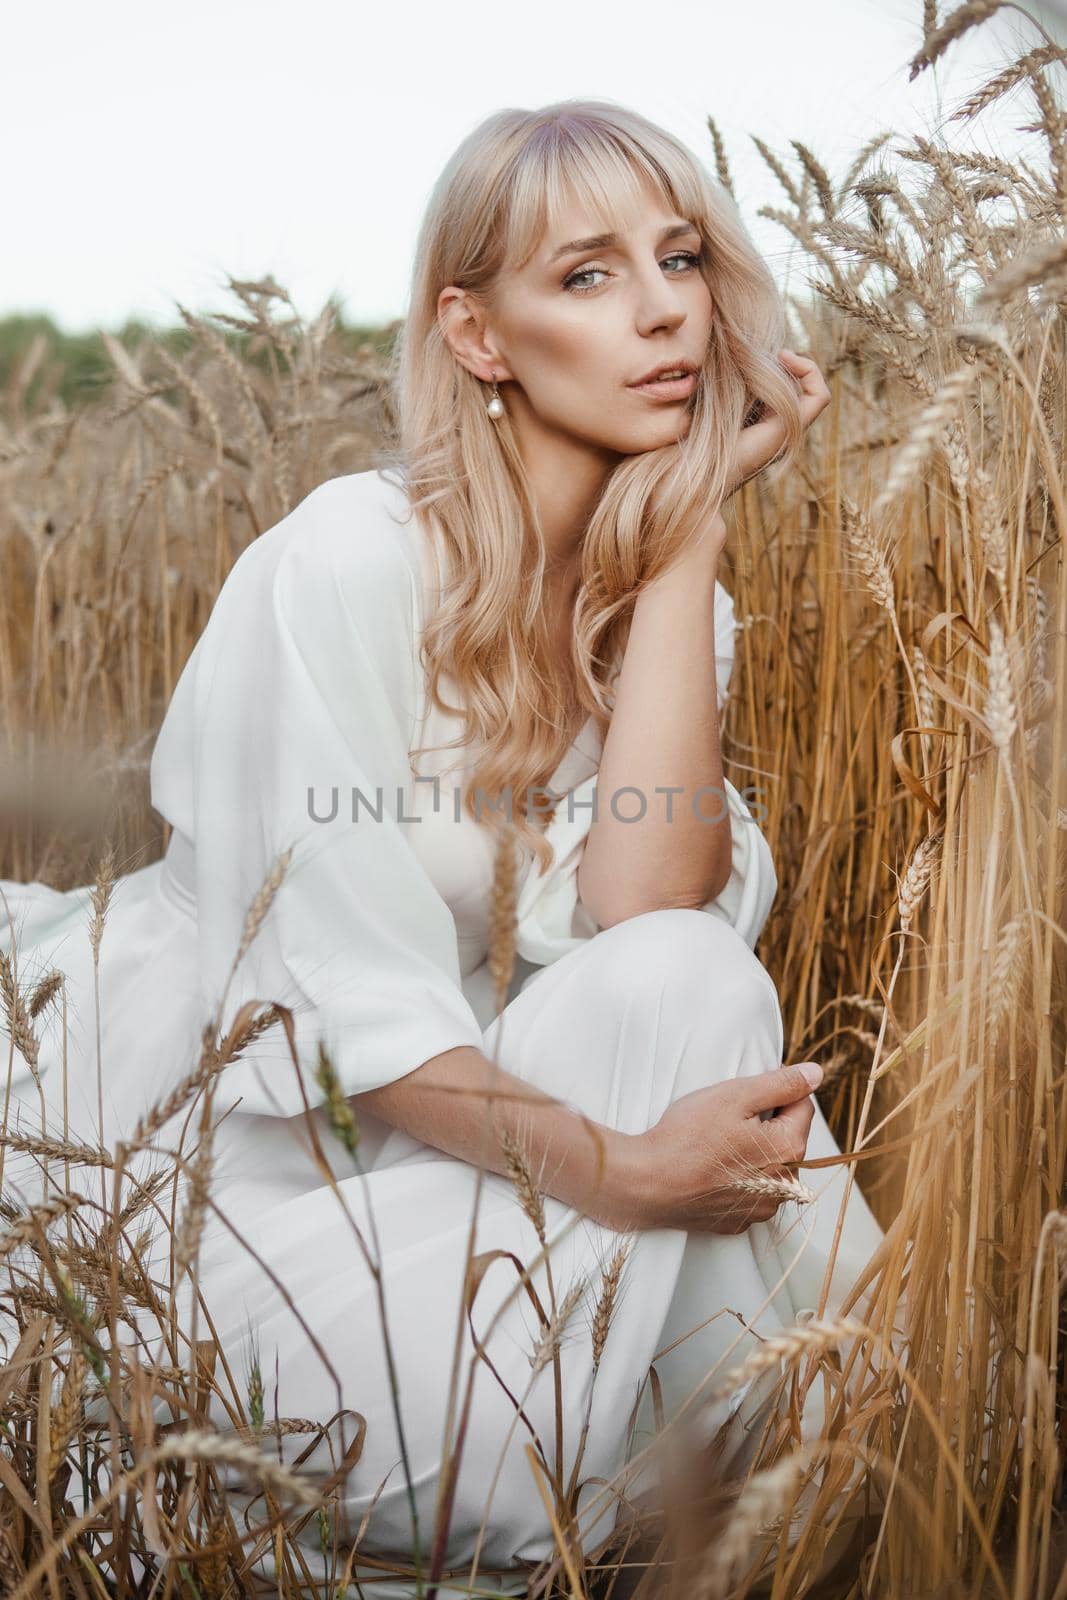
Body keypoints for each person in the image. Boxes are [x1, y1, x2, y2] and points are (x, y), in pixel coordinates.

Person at [0, 100, 888, 1598]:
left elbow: (650, 920)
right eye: (589, 275)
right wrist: (626, 1168)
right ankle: (740, 1459)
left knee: (684, 981)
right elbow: (337, 1025)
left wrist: (681, 549)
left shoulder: (669, 615)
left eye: (680, 258)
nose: (667, 306)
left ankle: (762, 1458)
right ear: (479, 337)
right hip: (240, 1187)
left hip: (504, 1202)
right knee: (789, 1361)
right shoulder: (344, 559)